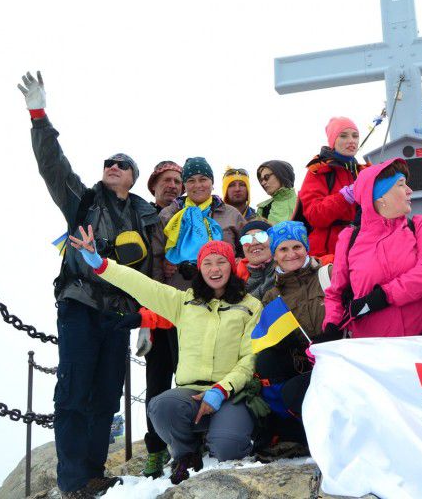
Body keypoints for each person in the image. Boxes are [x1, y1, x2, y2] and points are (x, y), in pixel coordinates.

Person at [18, 71, 160, 499]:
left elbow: (153, 270)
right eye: (108, 164)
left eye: (121, 165)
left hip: (119, 316)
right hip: (80, 306)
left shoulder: (146, 215)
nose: (112, 168)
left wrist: (148, 321)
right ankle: (73, 481)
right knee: (75, 391)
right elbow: (52, 165)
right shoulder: (83, 201)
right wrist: (39, 115)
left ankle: (95, 473)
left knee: (106, 398)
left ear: (133, 176)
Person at [69, 229, 263, 485]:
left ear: (232, 265)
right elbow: (141, 285)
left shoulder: (250, 306)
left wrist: (221, 390)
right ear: (200, 268)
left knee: (227, 448)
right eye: (207, 263)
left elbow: (249, 358)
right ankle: (186, 454)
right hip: (191, 394)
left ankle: (223, 436)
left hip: (231, 394)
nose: (214, 269)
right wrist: (100, 263)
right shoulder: (185, 303)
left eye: (221, 262)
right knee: (161, 406)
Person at [323, 158, 422, 338]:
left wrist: (383, 296)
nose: (409, 190)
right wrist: (331, 328)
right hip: (373, 352)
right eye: (401, 184)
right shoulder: (349, 239)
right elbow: (336, 294)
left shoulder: (419, 226)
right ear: (379, 196)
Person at [252, 221, 336, 457]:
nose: (291, 254)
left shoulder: (328, 275)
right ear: (275, 254)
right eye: (283, 249)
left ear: (306, 247)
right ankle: (295, 431)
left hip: (337, 358)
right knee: (268, 363)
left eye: (297, 247)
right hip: (306, 363)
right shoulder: (272, 296)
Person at [140, 159, 183, 477]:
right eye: (166, 180)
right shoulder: (141, 216)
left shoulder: (190, 214)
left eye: (177, 181)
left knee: (188, 376)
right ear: (153, 185)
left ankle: (188, 443)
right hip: (152, 311)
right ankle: (155, 449)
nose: (173, 185)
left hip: (184, 309)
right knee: (156, 381)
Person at [152, 157, 246, 288]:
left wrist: (241, 261)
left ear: (212, 183)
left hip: (224, 292)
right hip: (180, 292)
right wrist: (159, 287)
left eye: (203, 179)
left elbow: (248, 249)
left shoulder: (232, 214)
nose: (197, 185)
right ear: (184, 185)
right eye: (191, 180)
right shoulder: (169, 215)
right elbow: (156, 257)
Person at [298, 116, 366, 257]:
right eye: (343, 136)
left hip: (361, 249)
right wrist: (344, 197)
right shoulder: (319, 171)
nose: (351, 140)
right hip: (328, 254)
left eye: (355, 136)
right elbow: (314, 215)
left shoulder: (363, 172)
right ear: (332, 141)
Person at [234, 219, 276, 300]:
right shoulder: (235, 281)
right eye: (246, 239)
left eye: (261, 236)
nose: (253, 243)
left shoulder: (287, 272)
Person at [256, 160, 298, 224]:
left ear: (281, 174)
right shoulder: (263, 209)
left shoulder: (305, 203)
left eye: (266, 177)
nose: (263, 183)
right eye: (261, 180)